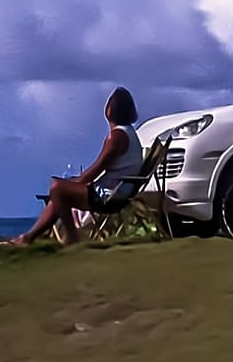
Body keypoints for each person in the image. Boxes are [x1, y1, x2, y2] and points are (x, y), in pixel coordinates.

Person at [8, 87, 142, 246]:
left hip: (110, 196)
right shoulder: (129, 133)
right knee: (59, 192)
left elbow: (96, 170)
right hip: (119, 191)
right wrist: (74, 182)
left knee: (57, 187)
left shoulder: (117, 136)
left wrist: (75, 182)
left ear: (109, 110)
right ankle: (28, 238)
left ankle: (71, 237)